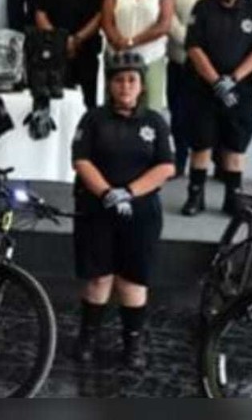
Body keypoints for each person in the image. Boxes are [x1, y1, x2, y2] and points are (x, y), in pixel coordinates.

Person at [69, 51, 175, 369]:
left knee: (132, 280)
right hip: (96, 208)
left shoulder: (155, 122)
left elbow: (166, 166)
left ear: (141, 85)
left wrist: (128, 193)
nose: (125, 86)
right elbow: (81, 160)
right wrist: (106, 193)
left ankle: (133, 343)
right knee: (99, 278)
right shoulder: (93, 119)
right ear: (109, 84)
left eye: (131, 80)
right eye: (118, 80)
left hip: (140, 213)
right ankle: (88, 337)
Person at [181, 0, 252, 216]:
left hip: (240, 89)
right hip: (204, 88)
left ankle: (233, 198)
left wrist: (232, 80)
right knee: (201, 143)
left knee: (236, 143)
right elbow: (194, 48)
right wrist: (216, 81)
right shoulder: (202, 7)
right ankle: (195, 196)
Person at [165, 0, 217, 176]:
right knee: (180, 114)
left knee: (213, 115)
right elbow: (170, 22)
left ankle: (217, 162)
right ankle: (180, 159)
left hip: (215, 66)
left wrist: (208, 52)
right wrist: (195, 45)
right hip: (181, 63)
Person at [101, 0, 174, 111]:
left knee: (151, 107)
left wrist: (132, 41)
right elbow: (107, 22)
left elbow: (164, 25)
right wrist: (118, 41)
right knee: (116, 106)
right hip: (118, 56)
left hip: (151, 56)